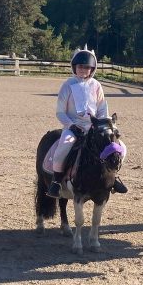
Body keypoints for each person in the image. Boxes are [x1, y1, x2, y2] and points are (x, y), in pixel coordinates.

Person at [47, 48, 128, 198]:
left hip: (94, 127)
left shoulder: (96, 85)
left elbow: (102, 108)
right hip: (73, 126)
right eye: (80, 66)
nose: (83, 70)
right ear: (74, 67)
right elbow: (60, 112)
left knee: (120, 147)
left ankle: (113, 175)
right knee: (64, 145)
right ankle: (56, 181)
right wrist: (71, 125)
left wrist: (103, 125)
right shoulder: (67, 85)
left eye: (87, 67)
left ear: (92, 69)